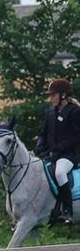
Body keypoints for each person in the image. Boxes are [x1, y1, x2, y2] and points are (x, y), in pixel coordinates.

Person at [35, 78, 80, 224]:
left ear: (63, 95)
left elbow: (78, 136)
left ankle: (68, 211)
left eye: (53, 95)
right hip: (51, 155)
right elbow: (43, 133)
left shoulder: (74, 112)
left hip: (68, 156)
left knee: (60, 172)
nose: (50, 98)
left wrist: (61, 146)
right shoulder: (50, 113)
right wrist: (39, 146)